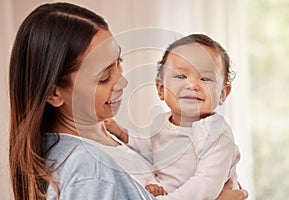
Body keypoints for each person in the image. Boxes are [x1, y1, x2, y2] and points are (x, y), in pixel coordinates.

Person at [8, 2, 248, 200]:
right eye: (103, 77)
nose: (123, 82)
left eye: (119, 62)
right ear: (54, 93)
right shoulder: (88, 170)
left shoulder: (103, 140)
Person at [105, 34, 242, 199]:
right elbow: (149, 148)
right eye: (180, 76)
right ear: (161, 89)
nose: (192, 85)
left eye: (205, 78)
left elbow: (206, 184)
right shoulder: (161, 121)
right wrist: (122, 134)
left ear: (222, 94)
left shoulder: (214, 131)